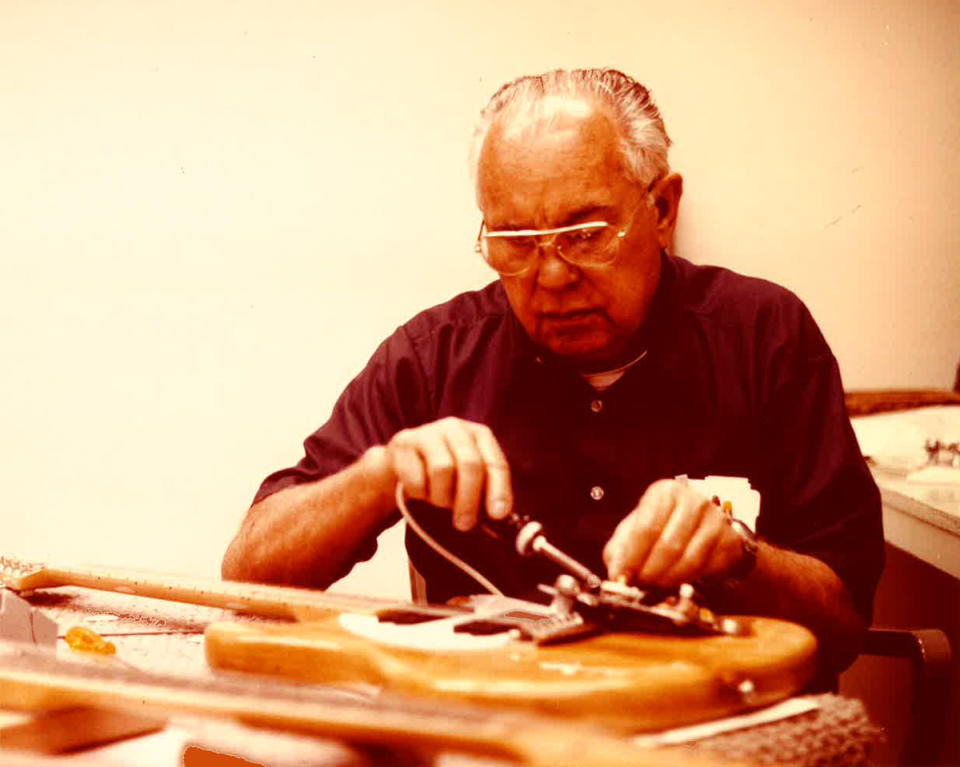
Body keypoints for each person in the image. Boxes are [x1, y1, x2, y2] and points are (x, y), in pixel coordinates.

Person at [222, 68, 883, 676]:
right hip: (492, 730)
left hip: (707, 728)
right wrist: (378, 475)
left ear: (662, 209)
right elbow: (249, 572)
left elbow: (846, 622)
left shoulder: (764, 335)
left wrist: (740, 557)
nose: (552, 275)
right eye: (513, 242)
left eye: (586, 232)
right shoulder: (435, 356)